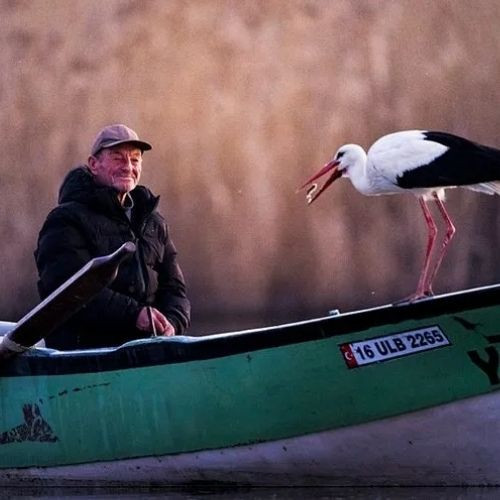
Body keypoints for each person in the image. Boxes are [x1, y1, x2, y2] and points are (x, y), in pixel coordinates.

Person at [35, 124, 191, 350]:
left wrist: (172, 326)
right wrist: (134, 315)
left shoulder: (154, 222)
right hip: (85, 359)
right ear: (94, 165)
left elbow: (175, 289)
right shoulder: (65, 220)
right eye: (117, 158)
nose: (128, 167)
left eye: (135, 160)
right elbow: (69, 291)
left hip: (149, 355)